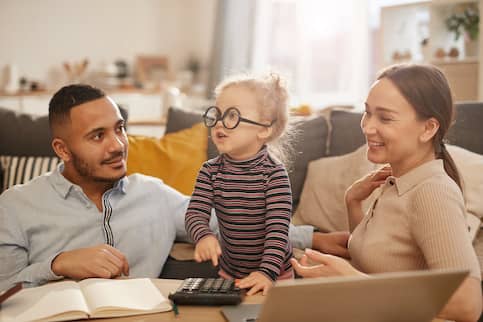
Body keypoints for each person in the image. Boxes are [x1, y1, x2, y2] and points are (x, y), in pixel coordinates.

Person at [0, 84, 348, 291]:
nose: (118, 145)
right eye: (98, 136)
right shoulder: (16, 205)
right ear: (62, 149)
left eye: (120, 129)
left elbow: (233, 224)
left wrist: (313, 238)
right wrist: (57, 264)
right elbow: (4, 291)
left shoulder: (153, 194)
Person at [290, 64, 482, 322]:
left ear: (428, 129)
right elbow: (375, 258)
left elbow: (467, 305)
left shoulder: (432, 192)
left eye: (385, 118)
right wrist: (353, 202)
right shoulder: (395, 181)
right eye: (367, 113)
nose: (368, 127)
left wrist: (351, 281)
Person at [185, 73, 294, 296]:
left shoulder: (274, 175)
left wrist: (266, 273)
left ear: (264, 129)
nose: (218, 124)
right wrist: (203, 235)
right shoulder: (210, 171)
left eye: (232, 116)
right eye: (216, 114)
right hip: (230, 272)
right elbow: (195, 213)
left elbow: (278, 232)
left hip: (276, 276)